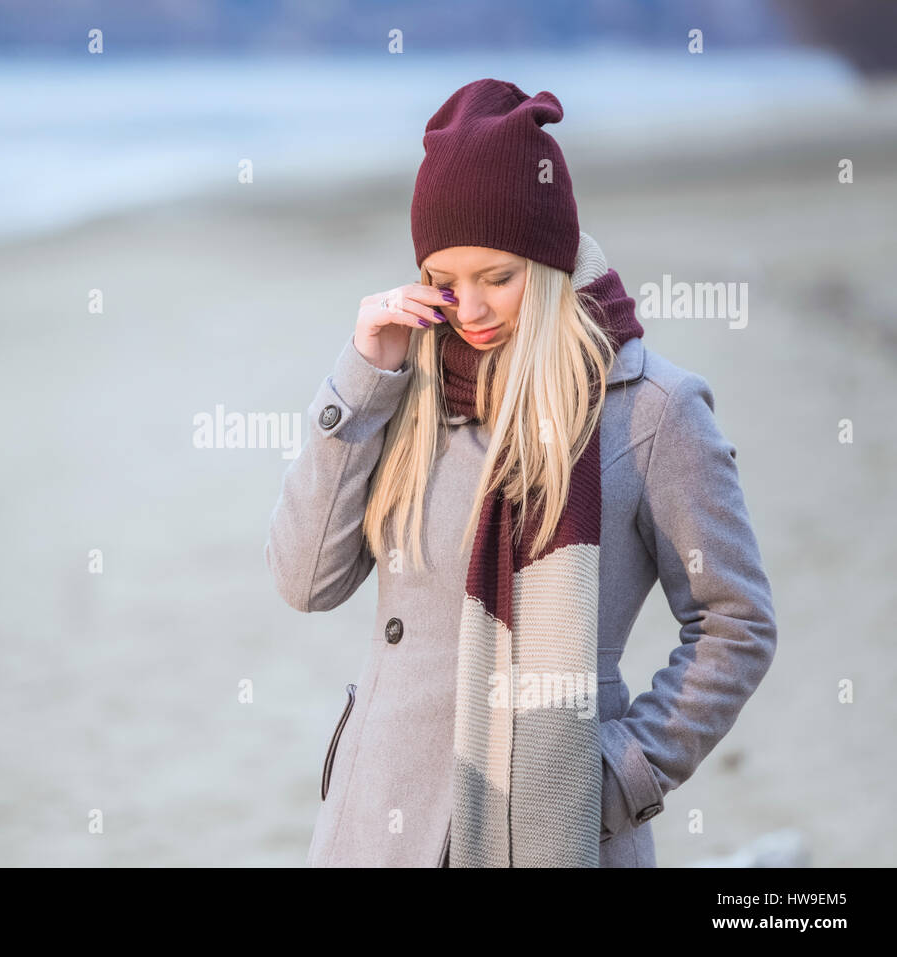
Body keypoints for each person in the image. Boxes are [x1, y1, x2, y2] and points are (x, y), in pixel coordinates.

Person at [264, 78, 777, 867]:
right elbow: (306, 580)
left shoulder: (651, 412)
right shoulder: (410, 386)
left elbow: (735, 621)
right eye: (443, 279)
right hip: (378, 829)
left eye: (495, 276)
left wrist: (620, 774)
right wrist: (362, 379)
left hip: (553, 827)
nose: (467, 309)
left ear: (549, 258)